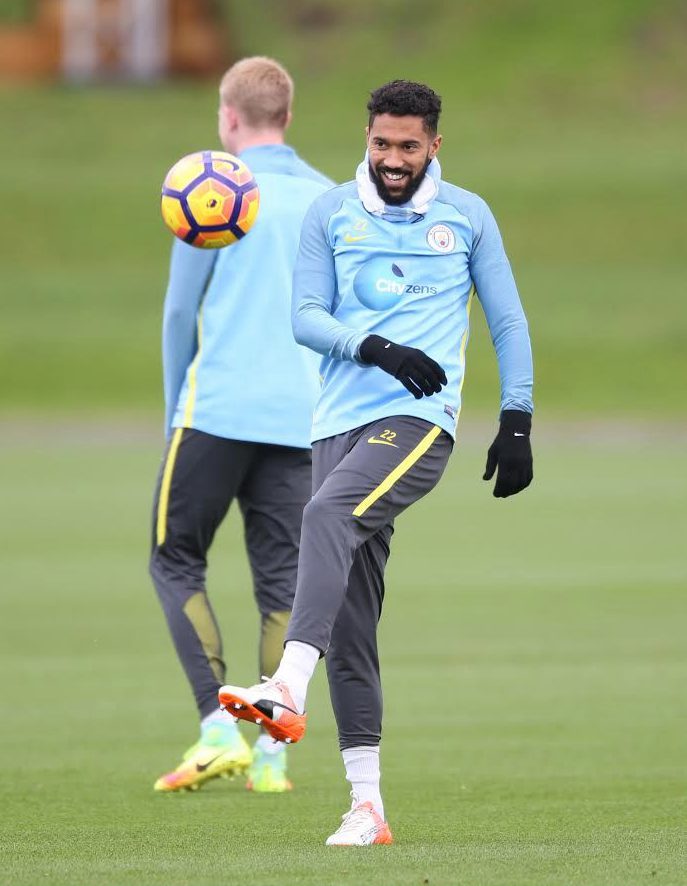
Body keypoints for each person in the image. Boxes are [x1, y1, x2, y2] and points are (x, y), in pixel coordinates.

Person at [219, 79, 534, 842]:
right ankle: (366, 806)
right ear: (367, 138)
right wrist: (372, 346)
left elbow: (507, 319)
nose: (392, 159)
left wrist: (516, 417)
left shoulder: (466, 216)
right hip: (336, 424)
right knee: (350, 626)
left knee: (323, 512)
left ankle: (285, 684)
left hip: (418, 423)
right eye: (380, 144)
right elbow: (304, 316)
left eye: (408, 145)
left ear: (434, 144)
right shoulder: (331, 211)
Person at [149, 56, 332, 795]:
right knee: (283, 584)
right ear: (287, 116)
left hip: (217, 412)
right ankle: (273, 759)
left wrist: (173, 417)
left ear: (228, 118)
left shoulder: (210, 192)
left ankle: (215, 727)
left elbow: (176, 313)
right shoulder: (330, 201)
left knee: (174, 559)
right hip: (300, 421)